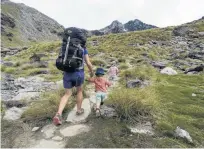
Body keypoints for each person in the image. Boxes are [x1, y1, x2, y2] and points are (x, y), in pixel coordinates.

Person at [53, 47, 94, 125]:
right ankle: (79, 110)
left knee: (67, 94)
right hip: (79, 73)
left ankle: (58, 114)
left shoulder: (65, 46)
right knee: (79, 91)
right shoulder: (83, 48)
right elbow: (88, 63)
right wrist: (92, 72)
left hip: (67, 74)